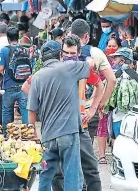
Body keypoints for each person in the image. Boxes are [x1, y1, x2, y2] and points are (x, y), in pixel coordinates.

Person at [50, 19, 117, 191]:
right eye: (67, 53)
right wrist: (99, 105)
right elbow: (111, 80)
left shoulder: (83, 66)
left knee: (85, 168)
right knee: (64, 169)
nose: (69, 57)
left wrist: (95, 107)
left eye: (73, 54)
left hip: (80, 124)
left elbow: (102, 83)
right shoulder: (56, 70)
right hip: (65, 124)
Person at [27, 40, 97, 191]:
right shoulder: (69, 67)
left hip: (48, 135)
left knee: (46, 173)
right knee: (72, 174)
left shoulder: (37, 77)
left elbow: (31, 109)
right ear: (60, 54)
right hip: (68, 132)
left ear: (42, 58)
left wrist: (32, 133)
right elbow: (91, 64)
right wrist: (88, 56)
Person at [0, 27, 30, 134]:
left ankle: (7, 135)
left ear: (8, 38)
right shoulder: (24, 49)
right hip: (24, 86)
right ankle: (27, 134)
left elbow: (1, 69)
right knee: (25, 110)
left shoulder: (4, 50)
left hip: (9, 85)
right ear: (18, 37)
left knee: (7, 110)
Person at [109, 47, 138, 138]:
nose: (113, 61)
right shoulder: (137, 76)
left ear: (122, 61)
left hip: (119, 118)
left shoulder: (117, 75)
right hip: (133, 118)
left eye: (115, 58)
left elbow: (111, 98)